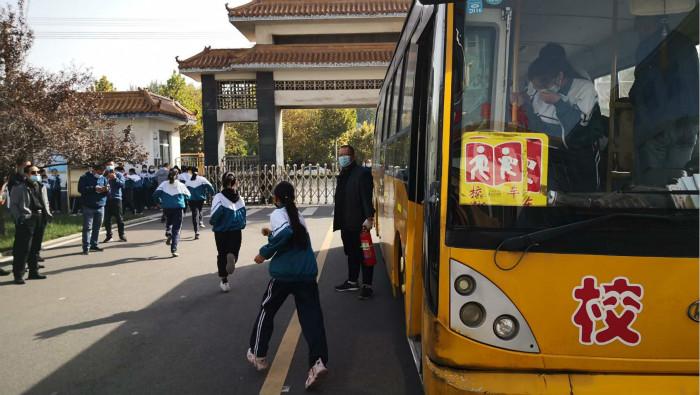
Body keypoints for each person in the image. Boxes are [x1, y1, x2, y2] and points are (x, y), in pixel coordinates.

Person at [249, 181, 329, 390]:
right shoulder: (298, 216)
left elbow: (285, 234)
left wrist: (263, 253)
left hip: (284, 275)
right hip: (306, 274)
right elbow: (288, 234)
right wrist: (271, 234)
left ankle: (258, 353)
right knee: (312, 318)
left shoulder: (278, 214)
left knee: (267, 310)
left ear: (276, 198)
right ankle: (318, 363)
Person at [513, 44, 605, 192]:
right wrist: (524, 105)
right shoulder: (537, 89)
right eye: (535, 87)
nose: (538, 91)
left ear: (560, 76)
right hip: (550, 154)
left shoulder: (584, 88)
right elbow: (537, 126)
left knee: (584, 195)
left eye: (542, 86)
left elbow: (577, 130)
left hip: (580, 153)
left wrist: (558, 103)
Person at [629, 16, 699, 186]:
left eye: (638, 26)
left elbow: (643, 87)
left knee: (651, 182)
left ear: (648, 23)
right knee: (677, 182)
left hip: (658, 128)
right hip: (689, 125)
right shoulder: (685, 43)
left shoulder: (647, 48)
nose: (638, 31)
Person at [333, 145, 376, 300]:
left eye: (345, 155)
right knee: (351, 253)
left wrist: (369, 218)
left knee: (365, 255)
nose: (342, 158)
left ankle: (367, 286)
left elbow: (366, 197)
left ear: (353, 156)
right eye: (340, 155)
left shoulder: (362, 173)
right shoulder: (343, 173)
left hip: (360, 224)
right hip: (346, 223)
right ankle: (352, 281)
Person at [9, 165, 51, 284]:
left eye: (38, 172)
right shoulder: (19, 187)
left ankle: (34, 272)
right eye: (33, 172)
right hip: (27, 218)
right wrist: (20, 218)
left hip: (40, 217)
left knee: (35, 247)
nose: (37, 174)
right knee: (23, 248)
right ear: (26, 174)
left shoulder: (41, 186)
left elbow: (45, 201)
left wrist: (47, 214)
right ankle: (19, 275)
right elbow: (13, 205)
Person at [208, 172, 246, 291]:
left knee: (222, 254)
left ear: (223, 183)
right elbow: (243, 215)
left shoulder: (218, 197)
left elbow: (215, 214)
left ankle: (224, 281)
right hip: (235, 230)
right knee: (233, 250)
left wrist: (213, 222)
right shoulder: (240, 198)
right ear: (235, 183)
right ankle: (233, 256)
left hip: (221, 231)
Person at [153, 169, 190, 257]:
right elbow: (188, 195)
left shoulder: (163, 184)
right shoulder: (181, 185)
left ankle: (168, 231)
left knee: (169, 220)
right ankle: (174, 249)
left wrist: (159, 202)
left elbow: (155, 195)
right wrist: (184, 202)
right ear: (177, 176)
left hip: (167, 206)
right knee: (177, 229)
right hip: (178, 207)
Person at [78, 164, 109, 255]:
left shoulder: (103, 178)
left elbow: (107, 192)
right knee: (87, 228)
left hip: (100, 206)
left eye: (103, 172)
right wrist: (94, 188)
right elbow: (81, 189)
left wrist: (106, 190)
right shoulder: (84, 177)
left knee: (97, 227)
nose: (101, 173)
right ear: (94, 170)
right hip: (88, 206)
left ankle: (94, 245)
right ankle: (86, 247)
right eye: (100, 171)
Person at [186, 167, 216, 240]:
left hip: (191, 199)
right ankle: (200, 221)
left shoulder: (188, 181)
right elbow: (210, 187)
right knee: (200, 209)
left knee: (194, 214)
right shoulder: (202, 179)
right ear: (197, 171)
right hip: (200, 198)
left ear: (191, 172)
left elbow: (184, 190)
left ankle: (196, 231)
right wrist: (213, 194)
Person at [103, 162, 126, 243]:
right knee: (107, 219)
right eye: (107, 164)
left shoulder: (119, 174)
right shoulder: (103, 175)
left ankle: (122, 235)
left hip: (116, 198)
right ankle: (109, 236)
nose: (109, 166)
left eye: (110, 164)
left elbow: (122, 185)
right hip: (106, 199)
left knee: (119, 218)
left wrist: (115, 178)